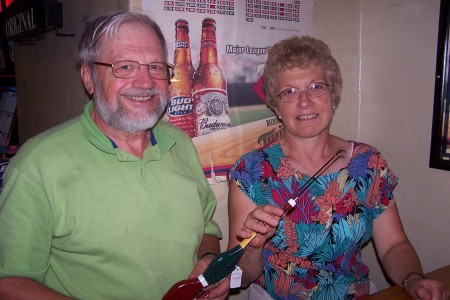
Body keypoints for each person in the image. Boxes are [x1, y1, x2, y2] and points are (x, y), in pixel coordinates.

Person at [0, 11, 227, 300]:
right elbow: (9, 281)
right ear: (89, 78)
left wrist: (208, 260)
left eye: (155, 66)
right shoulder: (37, 164)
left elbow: (207, 228)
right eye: (125, 66)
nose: (146, 82)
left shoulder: (181, 144)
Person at [227, 36, 450, 300]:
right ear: (274, 105)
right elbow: (240, 273)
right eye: (289, 92)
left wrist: (412, 280)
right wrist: (253, 248)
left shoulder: (367, 163)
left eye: (316, 86)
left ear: (334, 96)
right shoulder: (251, 171)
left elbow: (394, 245)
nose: (305, 101)